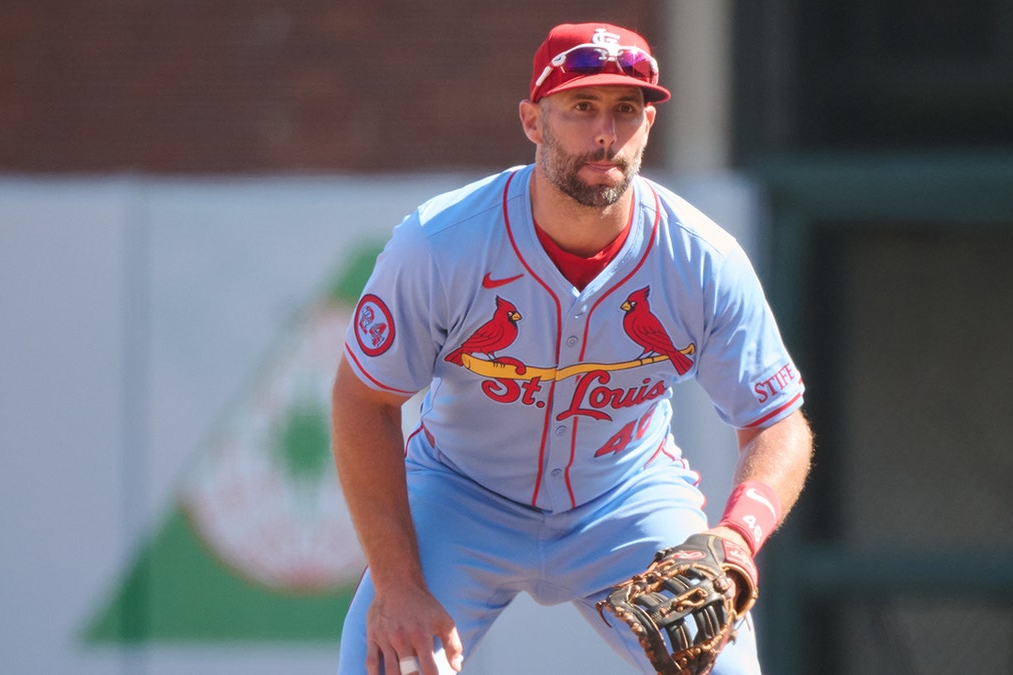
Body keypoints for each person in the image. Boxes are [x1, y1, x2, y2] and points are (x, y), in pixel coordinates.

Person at [332, 21, 814, 675]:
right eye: (582, 107)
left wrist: (737, 535)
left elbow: (777, 421)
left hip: (626, 497)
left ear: (649, 124)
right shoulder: (442, 244)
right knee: (391, 663)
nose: (605, 134)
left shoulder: (700, 259)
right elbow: (364, 401)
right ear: (533, 121)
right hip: (460, 492)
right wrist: (396, 586)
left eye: (626, 110)